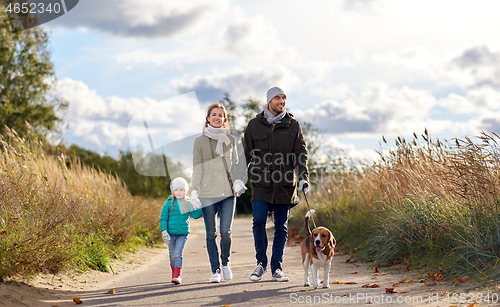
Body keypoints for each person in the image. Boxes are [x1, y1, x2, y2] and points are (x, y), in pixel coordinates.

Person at [243, 86, 310, 282]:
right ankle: (260, 264)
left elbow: (301, 153)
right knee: (258, 221)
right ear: (269, 101)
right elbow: (246, 153)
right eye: (278, 98)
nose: (282, 102)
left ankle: (276, 268)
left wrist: (303, 177)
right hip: (261, 184)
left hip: (285, 185)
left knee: (281, 227)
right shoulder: (254, 125)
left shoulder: (293, 125)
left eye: (284, 98)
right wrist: (238, 177)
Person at [190, 102, 248, 283]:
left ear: (224, 119)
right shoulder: (199, 141)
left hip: (228, 193)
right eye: (213, 114)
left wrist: (239, 181)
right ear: (208, 118)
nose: (217, 117)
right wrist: (193, 190)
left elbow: (238, 165)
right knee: (210, 234)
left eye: (220, 115)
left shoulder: (231, 139)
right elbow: (197, 168)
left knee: (225, 232)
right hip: (207, 193)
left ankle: (225, 263)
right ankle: (215, 270)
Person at [160, 177, 202, 284]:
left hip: (182, 234)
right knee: (172, 255)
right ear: (173, 191)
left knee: (178, 253)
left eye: (181, 190)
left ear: (185, 191)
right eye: (176, 190)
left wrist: (198, 206)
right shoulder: (169, 203)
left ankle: (177, 276)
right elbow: (163, 218)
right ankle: (174, 273)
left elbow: (195, 215)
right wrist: (164, 231)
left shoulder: (188, 202)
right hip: (171, 234)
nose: (179, 192)